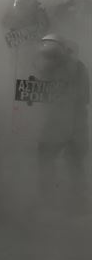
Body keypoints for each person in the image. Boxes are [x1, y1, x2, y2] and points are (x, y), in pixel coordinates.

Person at [34, 34, 89, 210]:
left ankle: (63, 200)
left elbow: (84, 96)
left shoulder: (75, 68)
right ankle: (59, 200)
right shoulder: (46, 67)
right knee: (65, 162)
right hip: (63, 122)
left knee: (62, 161)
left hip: (68, 122)